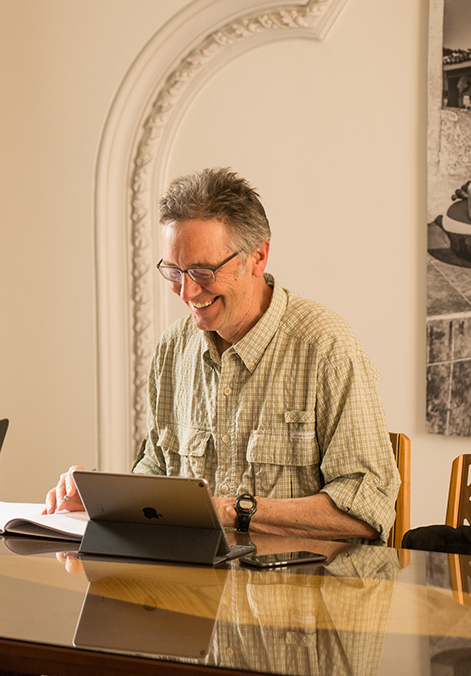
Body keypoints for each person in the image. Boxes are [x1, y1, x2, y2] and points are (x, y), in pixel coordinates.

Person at [45, 168, 399, 542]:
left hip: (301, 593)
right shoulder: (172, 349)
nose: (186, 292)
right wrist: (101, 500)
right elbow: (157, 473)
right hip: (190, 592)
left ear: (257, 258)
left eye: (202, 271)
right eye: (174, 272)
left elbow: (367, 511)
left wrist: (232, 510)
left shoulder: (327, 349)